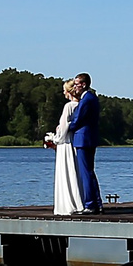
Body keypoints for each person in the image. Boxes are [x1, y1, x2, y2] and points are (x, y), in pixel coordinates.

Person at [43, 73, 103, 214]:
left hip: (83, 139)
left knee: (86, 173)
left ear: (83, 84)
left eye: (77, 84)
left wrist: (65, 128)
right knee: (88, 172)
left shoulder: (87, 99)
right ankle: (96, 203)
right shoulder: (91, 98)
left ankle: (90, 205)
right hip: (88, 138)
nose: (75, 87)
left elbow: (78, 119)